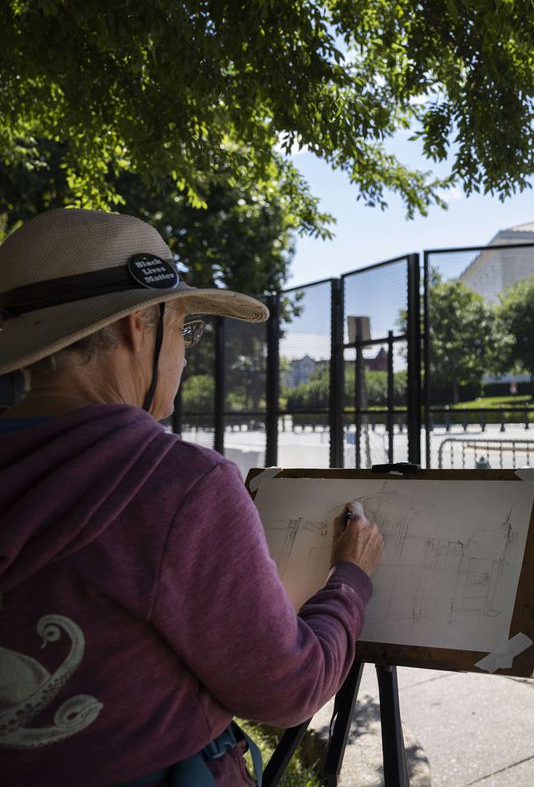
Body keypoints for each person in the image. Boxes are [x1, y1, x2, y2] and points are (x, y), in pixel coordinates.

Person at [0, 209, 385, 785]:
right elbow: (291, 689)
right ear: (137, 326)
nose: (184, 354)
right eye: (182, 329)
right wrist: (350, 579)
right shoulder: (176, 484)